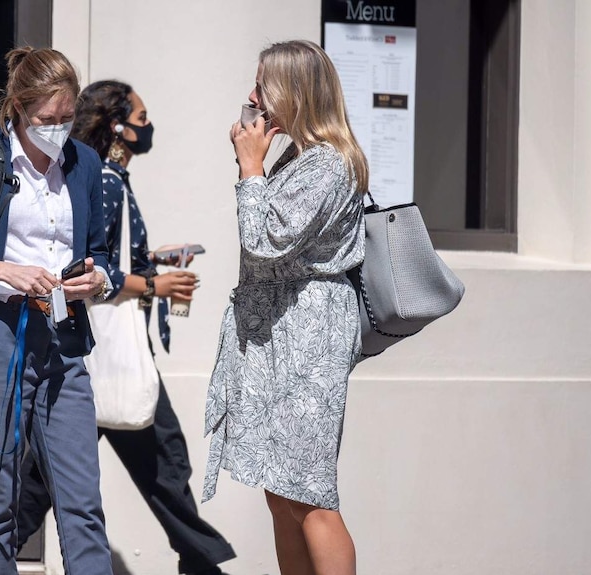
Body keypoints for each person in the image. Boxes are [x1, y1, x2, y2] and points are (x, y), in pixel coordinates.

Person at [16, 80, 237, 575]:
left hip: (91, 355)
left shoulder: (108, 179)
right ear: (117, 126)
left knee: (46, 474)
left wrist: (155, 261)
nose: (148, 127)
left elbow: (116, 257)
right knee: (166, 462)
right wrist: (154, 286)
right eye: (141, 119)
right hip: (109, 352)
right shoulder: (111, 181)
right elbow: (92, 271)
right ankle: (203, 566)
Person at [0, 47, 114, 575]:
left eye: (67, 119)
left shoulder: (85, 163)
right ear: (17, 110)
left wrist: (94, 280)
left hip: (64, 341)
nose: (57, 131)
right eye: (45, 121)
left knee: (82, 506)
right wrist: (3, 271)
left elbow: (99, 253)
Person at [202, 40, 368, 575]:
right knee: (281, 489)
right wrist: (255, 166)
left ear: (294, 93)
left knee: (309, 491)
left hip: (310, 335)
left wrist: (250, 168)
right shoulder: (300, 158)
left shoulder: (329, 164)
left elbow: (266, 240)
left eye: (262, 87)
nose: (252, 98)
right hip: (279, 331)